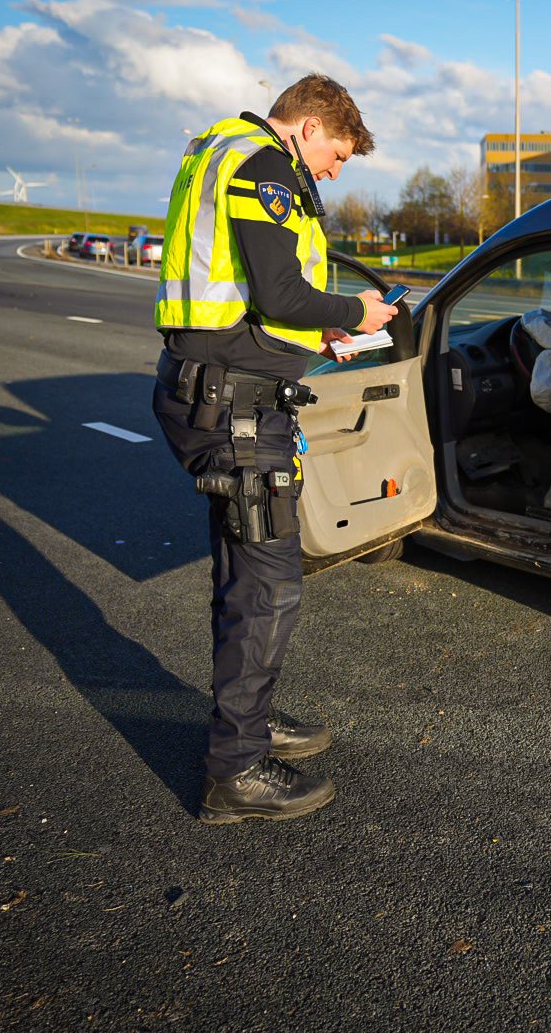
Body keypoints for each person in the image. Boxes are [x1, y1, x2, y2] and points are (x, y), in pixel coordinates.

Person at [150, 73, 397, 825]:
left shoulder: (221, 148)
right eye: (337, 157)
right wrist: (356, 309)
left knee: (249, 576)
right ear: (310, 128)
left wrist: (319, 333)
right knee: (268, 586)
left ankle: (250, 724)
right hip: (234, 407)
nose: (332, 173)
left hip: (223, 390)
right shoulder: (263, 166)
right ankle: (235, 772)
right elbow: (283, 293)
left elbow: (259, 301)